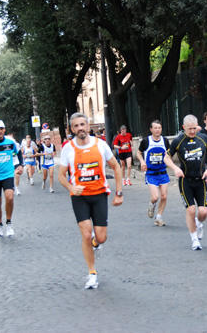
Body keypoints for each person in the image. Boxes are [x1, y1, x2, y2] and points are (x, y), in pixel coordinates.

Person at [59, 112, 123, 289]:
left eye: (82, 125)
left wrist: (119, 192)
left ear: (88, 126)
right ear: (72, 129)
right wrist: (72, 188)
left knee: (100, 238)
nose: (80, 128)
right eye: (76, 126)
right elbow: (61, 175)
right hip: (79, 197)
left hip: (99, 195)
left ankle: (96, 244)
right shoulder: (68, 148)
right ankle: (92, 273)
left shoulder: (101, 145)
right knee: (86, 234)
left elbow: (116, 166)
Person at [163, 114, 207, 250]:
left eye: (194, 128)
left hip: (201, 180)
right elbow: (166, 157)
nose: (192, 131)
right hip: (185, 180)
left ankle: (198, 222)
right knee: (191, 210)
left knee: (203, 212)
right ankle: (194, 240)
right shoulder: (178, 141)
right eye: (189, 129)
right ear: (183, 127)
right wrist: (175, 168)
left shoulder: (203, 138)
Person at [136, 120, 170, 227]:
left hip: (163, 172)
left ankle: (159, 217)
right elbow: (138, 152)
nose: (157, 130)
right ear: (151, 130)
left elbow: (169, 153)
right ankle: (152, 204)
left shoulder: (164, 141)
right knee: (155, 197)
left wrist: (168, 157)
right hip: (151, 173)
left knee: (164, 197)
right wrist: (142, 161)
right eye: (155, 128)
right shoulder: (146, 141)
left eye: (159, 128)